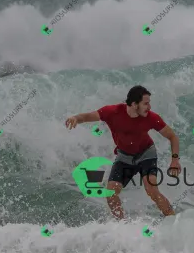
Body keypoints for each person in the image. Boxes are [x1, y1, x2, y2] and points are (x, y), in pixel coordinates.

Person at [65, 85, 181, 220]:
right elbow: (87, 116)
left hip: (146, 154)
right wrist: (76, 118)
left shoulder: (151, 117)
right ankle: (122, 224)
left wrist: (175, 160)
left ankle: (173, 220)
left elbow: (172, 136)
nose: (149, 107)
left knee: (152, 190)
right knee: (110, 193)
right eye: (146, 104)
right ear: (134, 104)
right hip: (124, 156)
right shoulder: (112, 112)